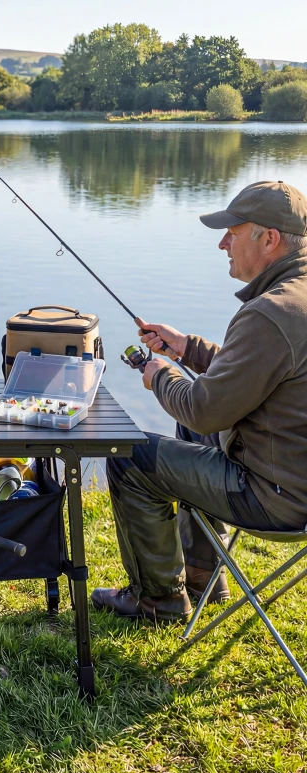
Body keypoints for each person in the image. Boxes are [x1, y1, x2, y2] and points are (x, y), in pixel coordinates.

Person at [93, 180, 307, 623]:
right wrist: (188, 349)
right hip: (295, 477)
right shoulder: (295, 299)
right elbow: (261, 370)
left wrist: (160, 375)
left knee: (129, 458)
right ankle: (203, 575)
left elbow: (203, 409)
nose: (222, 243)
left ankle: (159, 602)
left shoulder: (271, 312)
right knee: (193, 431)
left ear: (268, 239)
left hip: (278, 499)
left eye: (233, 232)